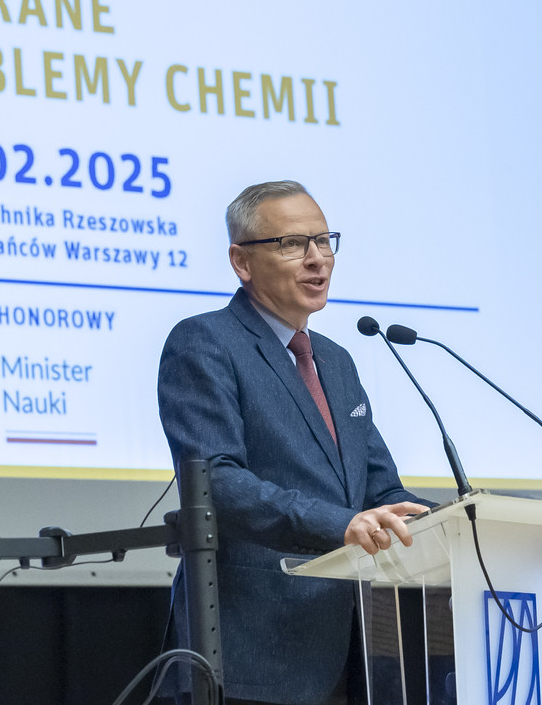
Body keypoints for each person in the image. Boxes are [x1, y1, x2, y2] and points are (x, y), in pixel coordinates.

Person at [157, 180, 429, 705]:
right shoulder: (205, 343)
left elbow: (380, 491)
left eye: (324, 241)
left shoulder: (336, 361)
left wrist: (467, 527)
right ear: (241, 262)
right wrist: (339, 524)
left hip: (352, 652)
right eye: (292, 244)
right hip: (250, 656)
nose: (317, 258)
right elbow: (216, 482)